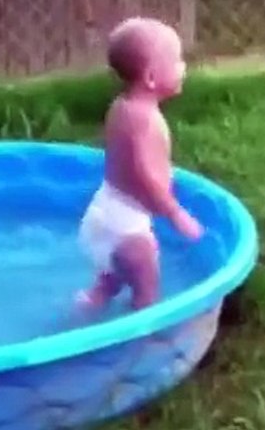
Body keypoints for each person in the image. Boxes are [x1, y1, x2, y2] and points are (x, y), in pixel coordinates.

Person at [76, 17, 203, 312]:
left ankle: (87, 307)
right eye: (177, 60)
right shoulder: (145, 119)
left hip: (106, 210)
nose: (184, 67)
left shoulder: (121, 108)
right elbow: (144, 174)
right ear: (150, 77)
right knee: (147, 291)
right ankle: (144, 344)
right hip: (127, 224)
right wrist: (175, 212)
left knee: (112, 277)